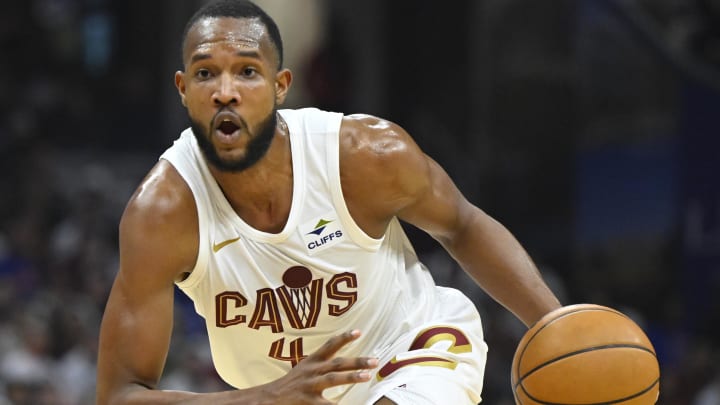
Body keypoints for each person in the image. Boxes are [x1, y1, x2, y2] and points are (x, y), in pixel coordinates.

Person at [95, 0, 562, 404]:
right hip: (279, 396)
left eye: (247, 72)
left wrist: (556, 325)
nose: (225, 92)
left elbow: (462, 224)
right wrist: (265, 398)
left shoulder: (364, 156)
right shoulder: (162, 214)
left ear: (281, 86)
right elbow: (120, 394)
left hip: (406, 348)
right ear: (182, 90)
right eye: (204, 74)